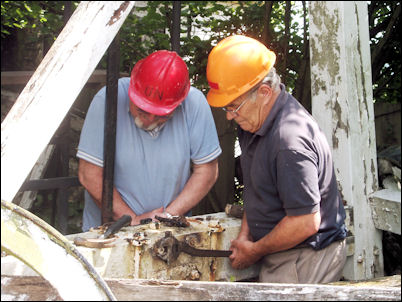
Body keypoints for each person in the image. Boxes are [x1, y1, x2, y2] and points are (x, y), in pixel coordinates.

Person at [206, 35, 347, 284]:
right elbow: (256, 186)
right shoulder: (253, 121)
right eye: (226, 107)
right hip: (281, 249)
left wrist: (255, 250)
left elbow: (305, 222)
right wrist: (246, 236)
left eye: (233, 107)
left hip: (304, 256)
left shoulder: (289, 141)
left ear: (264, 92)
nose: (229, 117)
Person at [77, 50, 221, 231]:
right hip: (108, 234)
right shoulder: (108, 98)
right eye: (142, 110)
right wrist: (132, 220)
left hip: (169, 233)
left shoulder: (194, 103)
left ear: (179, 103)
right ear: (132, 90)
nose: (149, 120)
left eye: (162, 115)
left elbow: (207, 171)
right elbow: (89, 174)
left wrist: (166, 217)